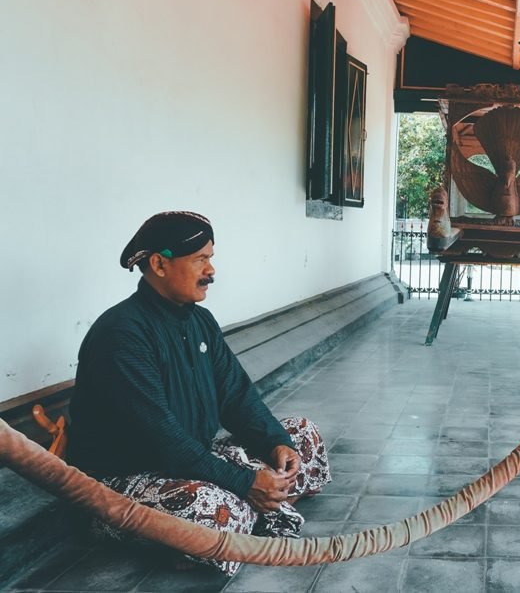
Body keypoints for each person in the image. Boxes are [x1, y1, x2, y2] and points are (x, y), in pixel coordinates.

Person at [67, 211, 331, 575]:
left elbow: (236, 396)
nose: (212, 270)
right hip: (123, 481)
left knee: (302, 435)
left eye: (211, 257)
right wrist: (243, 481)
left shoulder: (200, 321)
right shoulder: (122, 335)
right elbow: (164, 439)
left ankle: (243, 518)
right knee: (213, 507)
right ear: (159, 264)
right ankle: (234, 520)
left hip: (191, 458)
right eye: (200, 259)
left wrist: (275, 443)